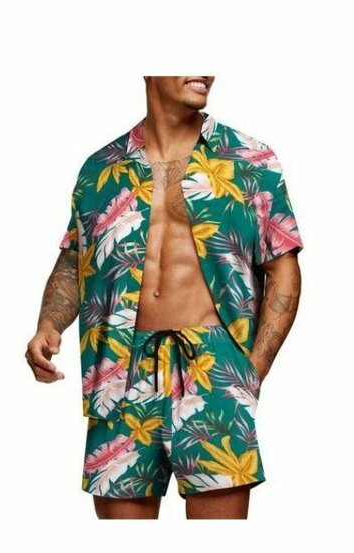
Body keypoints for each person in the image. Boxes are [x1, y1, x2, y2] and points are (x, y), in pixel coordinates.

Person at [25, 76, 304, 519]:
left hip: (213, 368)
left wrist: (252, 371)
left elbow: (282, 268)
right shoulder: (100, 168)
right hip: (119, 370)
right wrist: (48, 324)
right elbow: (75, 259)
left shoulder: (249, 158)